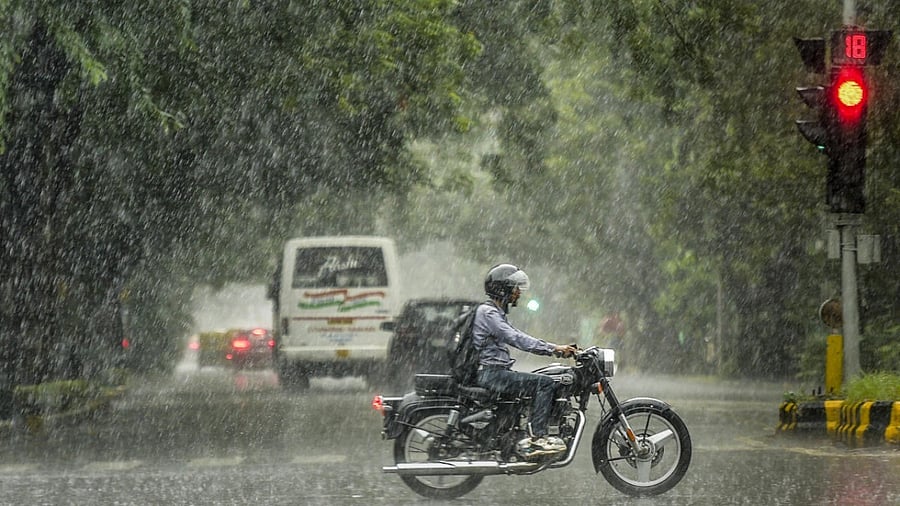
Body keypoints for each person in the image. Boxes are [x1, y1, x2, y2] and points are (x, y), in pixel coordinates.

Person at [472, 264, 577, 458]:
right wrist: (552, 349)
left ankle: (517, 434)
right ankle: (538, 438)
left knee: (535, 383)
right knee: (544, 384)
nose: (518, 293)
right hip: (491, 373)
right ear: (502, 288)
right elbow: (515, 338)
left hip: (494, 371)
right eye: (515, 288)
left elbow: (516, 334)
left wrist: (554, 348)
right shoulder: (488, 313)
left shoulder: (494, 312)